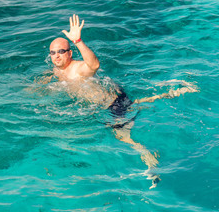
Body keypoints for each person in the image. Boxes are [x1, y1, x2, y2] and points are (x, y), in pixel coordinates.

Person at [42, 14, 198, 189]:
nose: (56, 56)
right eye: (53, 52)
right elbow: (55, 78)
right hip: (115, 98)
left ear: (70, 53)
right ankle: (177, 92)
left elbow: (93, 65)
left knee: (123, 137)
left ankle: (150, 161)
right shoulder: (57, 70)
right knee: (136, 103)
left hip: (112, 106)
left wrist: (78, 40)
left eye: (61, 51)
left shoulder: (78, 68)